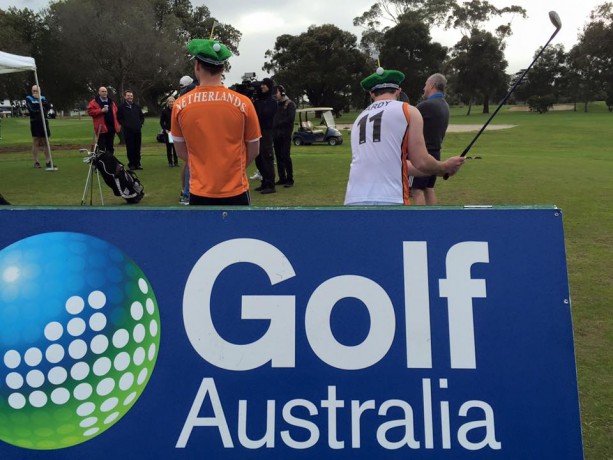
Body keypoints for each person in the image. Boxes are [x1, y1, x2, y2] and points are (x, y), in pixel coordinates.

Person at [344, 67, 464, 205]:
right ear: (398, 91)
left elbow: (398, 163)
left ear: (372, 93)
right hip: (391, 200)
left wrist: (440, 169)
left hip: (354, 201)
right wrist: (444, 167)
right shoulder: (409, 111)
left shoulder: (359, 119)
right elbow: (421, 161)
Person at [171, 38, 261, 206]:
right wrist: (234, 171)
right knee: (239, 233)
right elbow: (254, 149)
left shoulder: (179, 105)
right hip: (237, 190)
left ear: (197, 66)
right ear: (223, 67)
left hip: (199, 191)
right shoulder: (244, 103)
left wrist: (202, 167)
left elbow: (180, 151)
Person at [410, 73, 450, 205]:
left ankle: (419, 222)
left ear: (432, 85)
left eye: (425, 84)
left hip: (423, 155)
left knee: (417, 190)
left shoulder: (426, 106)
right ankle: (434, 219)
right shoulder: (444, 105)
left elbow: (406, 120)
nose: (424, 88)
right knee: (428, 188)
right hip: (436, 153)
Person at [253, 78, 277, 194]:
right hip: (258, 130)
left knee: (267, 157)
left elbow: (265, 114)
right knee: (259, 158)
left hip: (266, 131)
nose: (262, 87)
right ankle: (264, 181)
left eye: (264, 85)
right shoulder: (259, 100)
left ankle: (270, 184)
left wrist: (259, 103)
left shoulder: (272, 101)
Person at [273, 85, 296, 187]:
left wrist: (277, 123)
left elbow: (290, 119)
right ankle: (282, 178)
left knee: (286, 156)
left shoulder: (290, 104)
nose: (275, 94)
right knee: (278, 157)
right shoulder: (277, 105)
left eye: (276, 92)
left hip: (285, 135)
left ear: (282, 92)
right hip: (276, 134)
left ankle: (290, 179)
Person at [25, 85, 53, 169]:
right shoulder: (29, 98)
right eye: (33, 91)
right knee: (36, 141)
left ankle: (48, 161)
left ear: (39, 91)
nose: (35, 92)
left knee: (46, 141)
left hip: (44, 121)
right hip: (35, 122)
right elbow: (32, 109)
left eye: (36, 91)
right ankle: (36, 162)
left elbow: (48, 107)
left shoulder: (43, 98)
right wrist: (41, 106)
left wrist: (42, 103)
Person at [87, 86, 121, 155]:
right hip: (101, 129)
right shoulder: (94, 102)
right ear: (99, 92)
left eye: (105, 91)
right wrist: (101, 110)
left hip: (111, 128)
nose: (104, 93)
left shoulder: (111, 102)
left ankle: (110, 163)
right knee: (101, 148)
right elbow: (90, 112)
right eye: (102, 91)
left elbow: (116, 112)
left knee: (110, 147)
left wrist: (117, 124)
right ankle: (102, 164)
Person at [117, 90, 145, 170]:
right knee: (130, 148)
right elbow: (119, 118)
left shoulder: (136, 106)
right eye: (128, 96)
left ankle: (137, 164)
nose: (130, 97)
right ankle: (131, 164)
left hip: (137, 130)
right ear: (125, 97)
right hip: (128, 131)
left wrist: (141, 124)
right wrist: (126, 125)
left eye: (131, 96)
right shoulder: (121, 107)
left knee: (137, 148)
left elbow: (141, 117)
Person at [159, 96, 178, 167]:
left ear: (174, 102)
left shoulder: (176, 110)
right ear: (167, 103)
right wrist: (165, 129)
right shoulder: (164, 111)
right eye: (170, 102)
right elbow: (161, 122)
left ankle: (176, 162)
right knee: (169, 148)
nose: (171, 103)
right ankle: (170, 162)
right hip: (168, 131)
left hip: (175, 131)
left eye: (172, 102)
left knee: (175, 147)